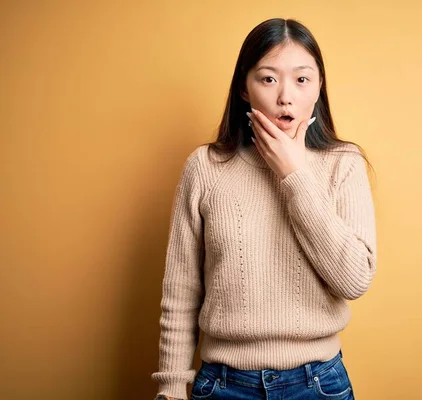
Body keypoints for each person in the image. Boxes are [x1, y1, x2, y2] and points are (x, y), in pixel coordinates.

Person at [151, 17, 377, 400]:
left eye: (302, 79)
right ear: (244, 87)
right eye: (268, 78)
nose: (285, 96)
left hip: (317, 384)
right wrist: (171, 388)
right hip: (223, 386)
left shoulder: (344, 163)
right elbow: (181, 290)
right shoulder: (205, 167)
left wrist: (294, 174)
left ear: (319, 87)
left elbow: (354, 279)